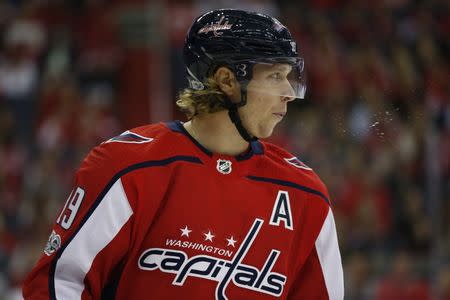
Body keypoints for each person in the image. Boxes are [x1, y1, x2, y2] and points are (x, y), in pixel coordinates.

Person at [23, 9, 344, 299]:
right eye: (275, 76)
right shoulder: (128, 166)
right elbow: (57, 286)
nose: (289, 93)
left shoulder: (306, 196)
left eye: (290, 77)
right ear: (228, 81)